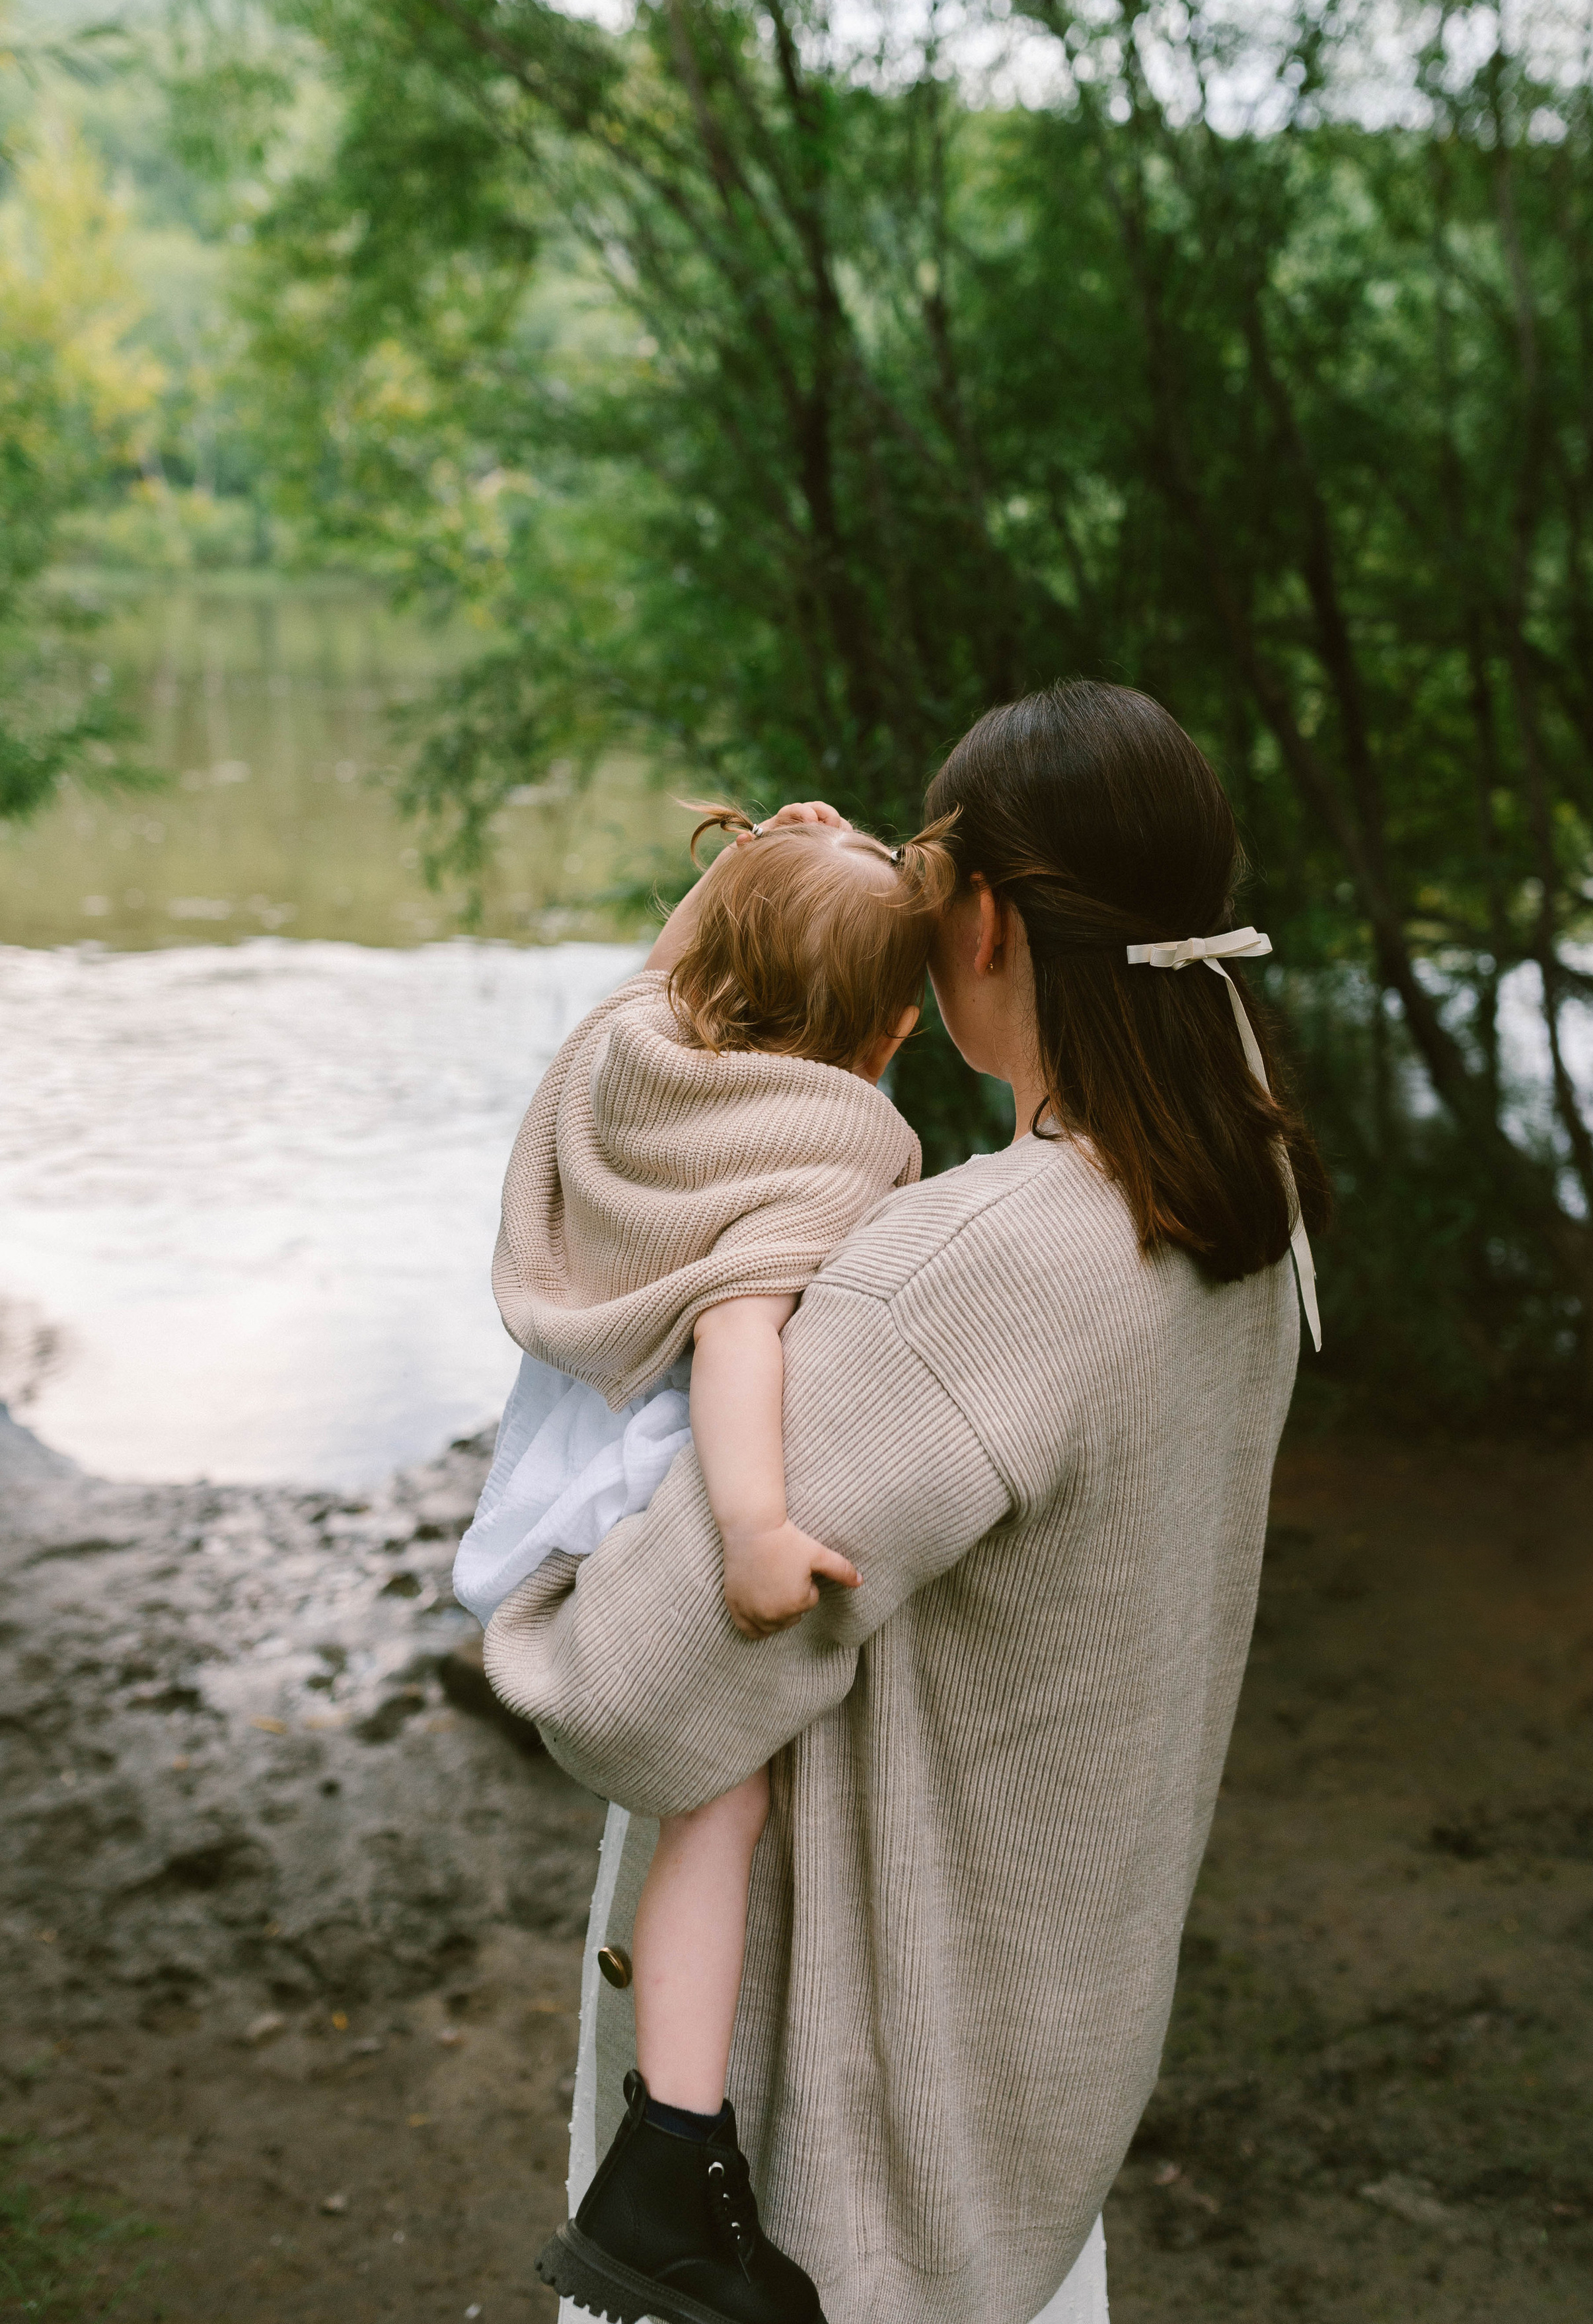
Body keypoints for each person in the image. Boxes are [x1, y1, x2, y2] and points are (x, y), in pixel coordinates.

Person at [486, 681, 1331, 2324]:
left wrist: (548, 1574)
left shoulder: (966, 1275)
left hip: (830, 2169)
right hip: (1039, 2070)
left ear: (986, 923)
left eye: (925, 894)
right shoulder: (1245, 1197)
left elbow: (623, 1699)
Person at [455, 802, 955, 2321]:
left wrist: (729, 885)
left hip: (553, 1460)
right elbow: (741, 1334)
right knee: (721, 1806)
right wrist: (753, 1533)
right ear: (889, 1033)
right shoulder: (830, 1139)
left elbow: (650, 983)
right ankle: (673, 2141)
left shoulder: (629, 1056)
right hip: (659, 1491)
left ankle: (670, 2141)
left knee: (707, 1814)